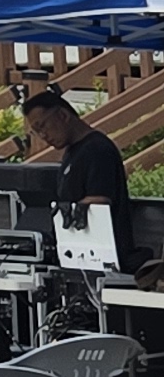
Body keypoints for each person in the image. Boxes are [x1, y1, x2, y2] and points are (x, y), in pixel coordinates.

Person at [35, 88, 133, 255]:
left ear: (63, 115)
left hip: (103, 251)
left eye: (43, 126)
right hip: (74, 248)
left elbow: (100, 201)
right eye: (36, 131)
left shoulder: (98, 149)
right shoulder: (72, 151)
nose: (43, 135)